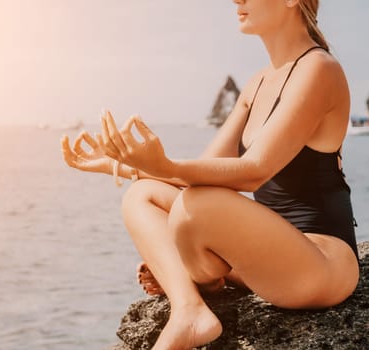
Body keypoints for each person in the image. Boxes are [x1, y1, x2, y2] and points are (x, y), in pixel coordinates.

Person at [60, 0, 360, 349]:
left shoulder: (319, 69)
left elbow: (253, 172)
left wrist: (164, 165)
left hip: (322, 266)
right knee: (141, 196)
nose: (237, 1)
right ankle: (190, 310)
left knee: (195, 206)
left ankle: (195, 274)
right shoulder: (258, 83)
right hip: (272, 257)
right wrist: (114, 163)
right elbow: (205, 170)